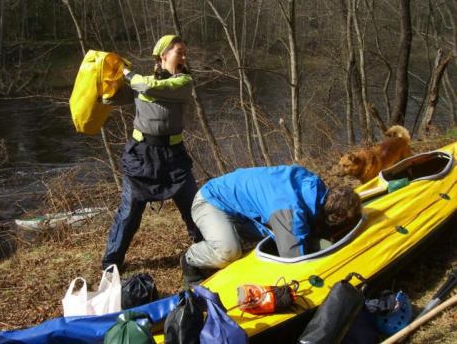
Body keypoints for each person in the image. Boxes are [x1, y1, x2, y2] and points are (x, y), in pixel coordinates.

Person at [101, 35, 202, 272]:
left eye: (184, 52)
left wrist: (126, 73)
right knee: (129, 212)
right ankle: (111, 263)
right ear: (163, 55)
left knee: (194, 207)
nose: (184, 56)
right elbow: (112, 98)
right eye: (179, 51)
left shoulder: (184, 82)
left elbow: (148, 86)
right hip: (142, 155)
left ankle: (206, 249)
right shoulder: (142, 82)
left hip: (174, 156)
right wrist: (105, 84)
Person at [180, 165, 362, 285]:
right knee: (228, 252)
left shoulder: (314, 188)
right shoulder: (289, 213)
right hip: (211, 200)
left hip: (241, 207)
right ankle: (190, 259)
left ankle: (229, 233)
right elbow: (295, 263)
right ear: (329, 218)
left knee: (284, 236)